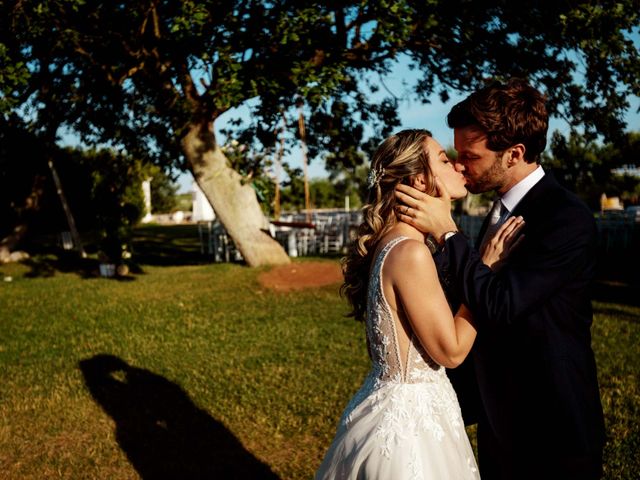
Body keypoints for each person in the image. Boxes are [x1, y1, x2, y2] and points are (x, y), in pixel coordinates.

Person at [395, 79, 606, 480]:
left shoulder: (565, 218)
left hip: (551, 427)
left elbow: (501, 304)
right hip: (498, 419)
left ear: (514, 153)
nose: (458, 165)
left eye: (469, 156)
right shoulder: (498, 210)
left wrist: (448, 234)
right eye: (455, 154)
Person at [315, 129, 524, 480]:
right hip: (410, 428)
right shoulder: (411, 252)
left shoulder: (395, 241)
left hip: (405, 405)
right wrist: (485, 270)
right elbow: (452, 351)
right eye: (444, 160)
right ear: (420, 179)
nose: (458, 166)